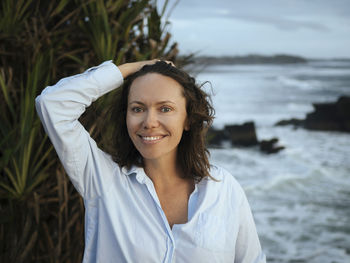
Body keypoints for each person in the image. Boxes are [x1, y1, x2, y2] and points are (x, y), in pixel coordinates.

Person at [35, 59, 266, 263]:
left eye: (165, 108)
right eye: (138, 109)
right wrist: (132, 68)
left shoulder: (223, 189)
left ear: (188, 119)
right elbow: (52, 104)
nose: (149, 122)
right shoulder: (103, 181)